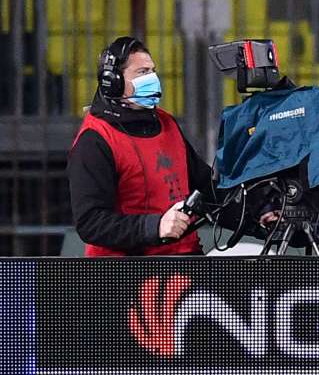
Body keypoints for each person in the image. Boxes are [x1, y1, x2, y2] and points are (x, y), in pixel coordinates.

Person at [68, 36, 213, 256]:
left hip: (184, 261)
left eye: (152, 71)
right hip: (128, 272)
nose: (152, 79)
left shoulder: (167, 124)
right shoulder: (94, 140)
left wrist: (258, 213)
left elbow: (207, 188)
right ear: (113, 82)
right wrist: (155, 227)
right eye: (142, 72)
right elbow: (92, 222)